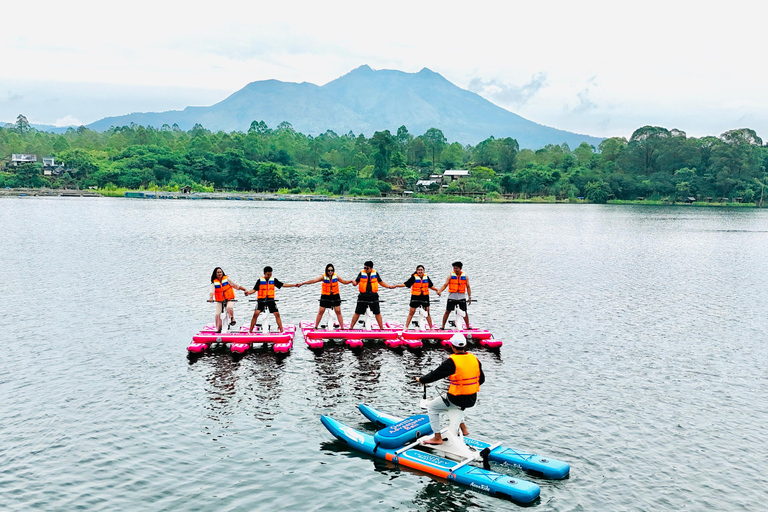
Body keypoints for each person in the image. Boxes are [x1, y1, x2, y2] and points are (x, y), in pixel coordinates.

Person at [415, 333, 484, 445]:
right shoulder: (474, 359)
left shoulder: (452, 361)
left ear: (452, 346)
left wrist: (421, 380)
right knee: (452, 405)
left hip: (456, 398)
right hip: (471, 398)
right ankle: (463, 428)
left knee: (432, 407)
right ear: (465, 345)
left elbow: (434, 375)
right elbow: (482, 379)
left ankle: (437, 438)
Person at [244, 266, 301, 332]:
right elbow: (254, 290)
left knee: (277, 314)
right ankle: (250, 331)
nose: (269, 276)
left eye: (270, 274)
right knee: (256, 314)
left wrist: (294, 285)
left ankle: (282, 331)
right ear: (265, 273)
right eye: (268, 274)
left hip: (270, 300)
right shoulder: (260, 280)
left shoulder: (273, 280)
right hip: (261, 300)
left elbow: (282, 285)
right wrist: (248, 293)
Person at [300, 263, 354, 328]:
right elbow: (314, 281)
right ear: (326, 271)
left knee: (338, 311)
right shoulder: (323, 277)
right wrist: (303, 283)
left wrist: (351, 281)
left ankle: (342, 327)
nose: (330, 272)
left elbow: (344, 281)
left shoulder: (336, 276)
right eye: (329, 270)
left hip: (335, 295)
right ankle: (316, 326)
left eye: (331, 270)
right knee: (321, 311)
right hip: (325, 296)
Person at [348, 260, 395, 330]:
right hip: (363, 296)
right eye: (364, 268)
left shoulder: (375, 273)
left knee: (377, 312)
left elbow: (381, 282)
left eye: (367, 268)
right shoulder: (361, 273)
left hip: (373, 296)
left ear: (371, 268)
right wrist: (352, 282)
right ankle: (351, 327)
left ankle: (381, 328)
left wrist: (389, 286)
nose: (365, 269)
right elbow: (356, 283)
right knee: (357, 312)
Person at [392, 265, 441, 329]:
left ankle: (431, 327)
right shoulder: (413, 277)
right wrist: (396, 285)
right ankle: (406, 327)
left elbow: (431, 286)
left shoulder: (426, 277)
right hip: (415, 297)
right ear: (416, 271)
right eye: (419, 270)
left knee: (427, 312)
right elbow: (406, 284)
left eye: (421, 270)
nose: (420, 271)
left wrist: (437, 290)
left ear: (423, 271)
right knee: (411, 312)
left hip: (425, 297)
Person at [208, 267, 248, 333]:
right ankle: (218, 328)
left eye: (220, 272)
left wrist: (244, 289)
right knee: (217, 314)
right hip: (220, 301)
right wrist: (211, 298)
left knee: (229, 307)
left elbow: (235, 285)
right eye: (218, 272)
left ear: (222, 273)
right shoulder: (214, 283)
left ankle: (232, 318)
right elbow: (212, 291)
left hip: (230, 299)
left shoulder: (227, 279)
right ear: (215, 274)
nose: (219, 273)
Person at [437, 261, 472, 329]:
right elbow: (445, 284)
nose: (455, 270)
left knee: (464, 312)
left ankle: (467, 326)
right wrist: (440, 291)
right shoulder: (450, 276)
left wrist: (469, 296)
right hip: (452, 297)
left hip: (461, 297)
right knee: (447, 311)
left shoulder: (465, 277)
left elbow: (468, 287)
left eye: (456, 268)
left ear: (460, 268)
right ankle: (443, 326)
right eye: (454, 268)